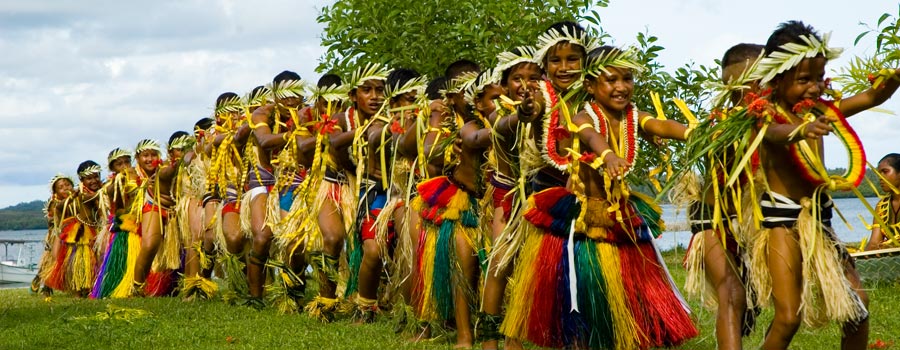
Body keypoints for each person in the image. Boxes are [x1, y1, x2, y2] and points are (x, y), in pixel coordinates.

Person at [504, 44, 700, 349]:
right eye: (612, 79)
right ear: (590, 86)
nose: (621, 87)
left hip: (620, 215)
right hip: (584, 218)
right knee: (581, 298)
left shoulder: (634, 116)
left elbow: (660, 124)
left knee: (634, 298)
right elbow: (590, 137)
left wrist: (693, 133)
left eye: (627, 79)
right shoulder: (584, 116)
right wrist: (607, 155)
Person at [747, 20, 900, 350]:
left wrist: (888, 84)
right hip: (783, 223)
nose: (814, 87)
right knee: (788, 318)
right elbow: (774, 134)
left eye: (819, 77)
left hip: (821, 221)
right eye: (804, 79)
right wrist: (801, 130)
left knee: (857, 309)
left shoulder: (822, 111)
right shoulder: (764, 114)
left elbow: (870, 97)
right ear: (776, 78)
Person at [681, 43, 765, 350]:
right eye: (736, 88)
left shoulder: (777, 121)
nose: (746, 94)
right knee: (731, 294)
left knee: (774, 301)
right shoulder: (720, 125)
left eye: (756, 82)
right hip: (712, 219)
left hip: (757, 222)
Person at [477, 46, 541, 350]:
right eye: (517, 78)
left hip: (538, 197)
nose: (525, 84)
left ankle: (514, 341)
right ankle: (489, 339)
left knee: (529, 269)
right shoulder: (497, 112)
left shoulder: (550, 109)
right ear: (504, 85)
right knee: (500, 263)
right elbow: (509, 124)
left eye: (533, 77)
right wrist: (523, 113)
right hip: (506, 197)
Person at [243, 71, 304, 308]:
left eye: (295, 94)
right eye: (286, 95)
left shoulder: (306, 113)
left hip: (292, 181)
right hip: (263, 181)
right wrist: (294, 133)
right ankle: (256, 297)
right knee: (262, 237)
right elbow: (266, 142)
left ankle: (294, 292)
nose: (291, 100)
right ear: (276, 95)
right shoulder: (263, 113)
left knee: (295, 241)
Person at [337, 63, 391, 322]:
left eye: (379, 90)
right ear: (353, 95)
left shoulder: (394, 117)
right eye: (367, 90)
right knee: (372, 249)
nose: (374, 96)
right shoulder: (344, 119)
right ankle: (365, 305)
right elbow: (335, 146)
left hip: (399, 193)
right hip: (367, 192)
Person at [45, 161, 106, 297]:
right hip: (80, 234)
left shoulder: (100, 190)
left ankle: (94, 287)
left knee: (96, 261)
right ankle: (78, 289)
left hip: (97, 231)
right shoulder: (80, 195)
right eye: (89, 178)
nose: (94, 180)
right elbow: (58, 211)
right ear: (81, 179)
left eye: (96, 176)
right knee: (77, 262)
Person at [131, 139, 181, 297]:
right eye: (146, 155)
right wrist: (144, 185)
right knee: (150, 245)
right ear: (138, 158)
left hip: (175, 210)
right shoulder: (132, 173)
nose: (150, 159)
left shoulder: (164, 166)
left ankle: (176, 286)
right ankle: (137, 288)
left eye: (153, 155)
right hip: (150, 208)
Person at [90, 148, 140, 299]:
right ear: (112, 168)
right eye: (119, 164)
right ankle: (119, 287)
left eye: (127, 162)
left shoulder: (138, 178)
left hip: (138, 224)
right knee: (122, 260)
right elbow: (115, 199)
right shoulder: (112, 185)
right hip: (121, 228)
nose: (124, 166)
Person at [34, 174, 75, 296]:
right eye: (61, 187)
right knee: (54, 261)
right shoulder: (55, 203)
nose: (65, 188)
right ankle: (46, 286)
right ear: (55, 191)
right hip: (58, 235)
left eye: (67, 185)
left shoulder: (76, 198)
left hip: (73, 233)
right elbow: (52, 222)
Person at [866, 154, 900, 250]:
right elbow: (874, 243)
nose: (881, 177)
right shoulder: (882, 206)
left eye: (885, 172)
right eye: (879, 173)